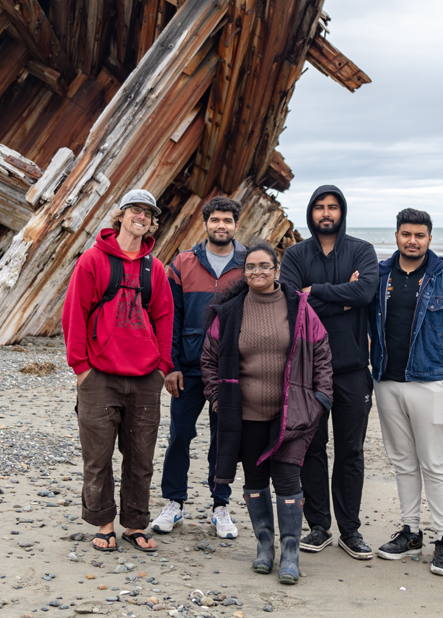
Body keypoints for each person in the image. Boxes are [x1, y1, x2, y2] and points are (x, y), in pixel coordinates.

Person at [201, 240, 333, 585]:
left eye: (264, 266)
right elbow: (210, 359)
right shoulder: (229, 313)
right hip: (243, 415)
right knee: (256, 481)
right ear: (243, 273)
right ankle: (265, 548)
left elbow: (321, 352)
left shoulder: (300, 308)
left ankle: (291, 553)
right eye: (250, 267)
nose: (257, 272)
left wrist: (321, 399)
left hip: (291, 414)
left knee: (288, 480)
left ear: (277, 269)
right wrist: (218, 398)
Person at [62, 189, 174, 553]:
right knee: (98, 457)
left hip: (144, 378)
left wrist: (161, 367)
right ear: (121, 215)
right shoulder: (93, 260)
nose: (140, 217)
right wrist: (81, 368)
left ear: (151, 223)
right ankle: (104, 523)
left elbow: (164, 317)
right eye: (134, 210)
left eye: (147, 213)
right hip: (99, 377)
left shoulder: (153, 268)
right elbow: (74, 315)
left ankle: (135, 525)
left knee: (140, 459)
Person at [369, 208, 443, 577]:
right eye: (405, 234)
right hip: (387, 380)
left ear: (430, 238)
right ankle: (410, 530)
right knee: (402, 460)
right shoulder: (380, 275)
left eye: (419, 234)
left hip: (431, 382)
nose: (411, 240)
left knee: (434, 463)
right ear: (396, 236)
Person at [279, 185, 379, 560]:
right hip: (307, 369)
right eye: (320, 206)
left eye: (333, 207)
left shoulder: (361, 250)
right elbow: (290, 301)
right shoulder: (295, 253)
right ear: (311, 212)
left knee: (351, 450)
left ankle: (350, 530)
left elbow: (366, 293)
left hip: (353, 368)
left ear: (342, 212)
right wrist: (344, 295)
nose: (326, 212)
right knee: (312, 447)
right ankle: (319, 525)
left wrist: (317, 291)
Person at [153, 196, 246, 539]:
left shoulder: (248, 264)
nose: (221, 225)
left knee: (224, 439)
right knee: (180, 435)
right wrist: (172, 366)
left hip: (230, 369)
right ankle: (174, 503)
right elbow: (170, 317)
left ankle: (220, 506)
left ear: (236, 225)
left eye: (228, 220)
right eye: (216, 219)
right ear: (205, 223)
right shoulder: (182, 263)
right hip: (189, 368)